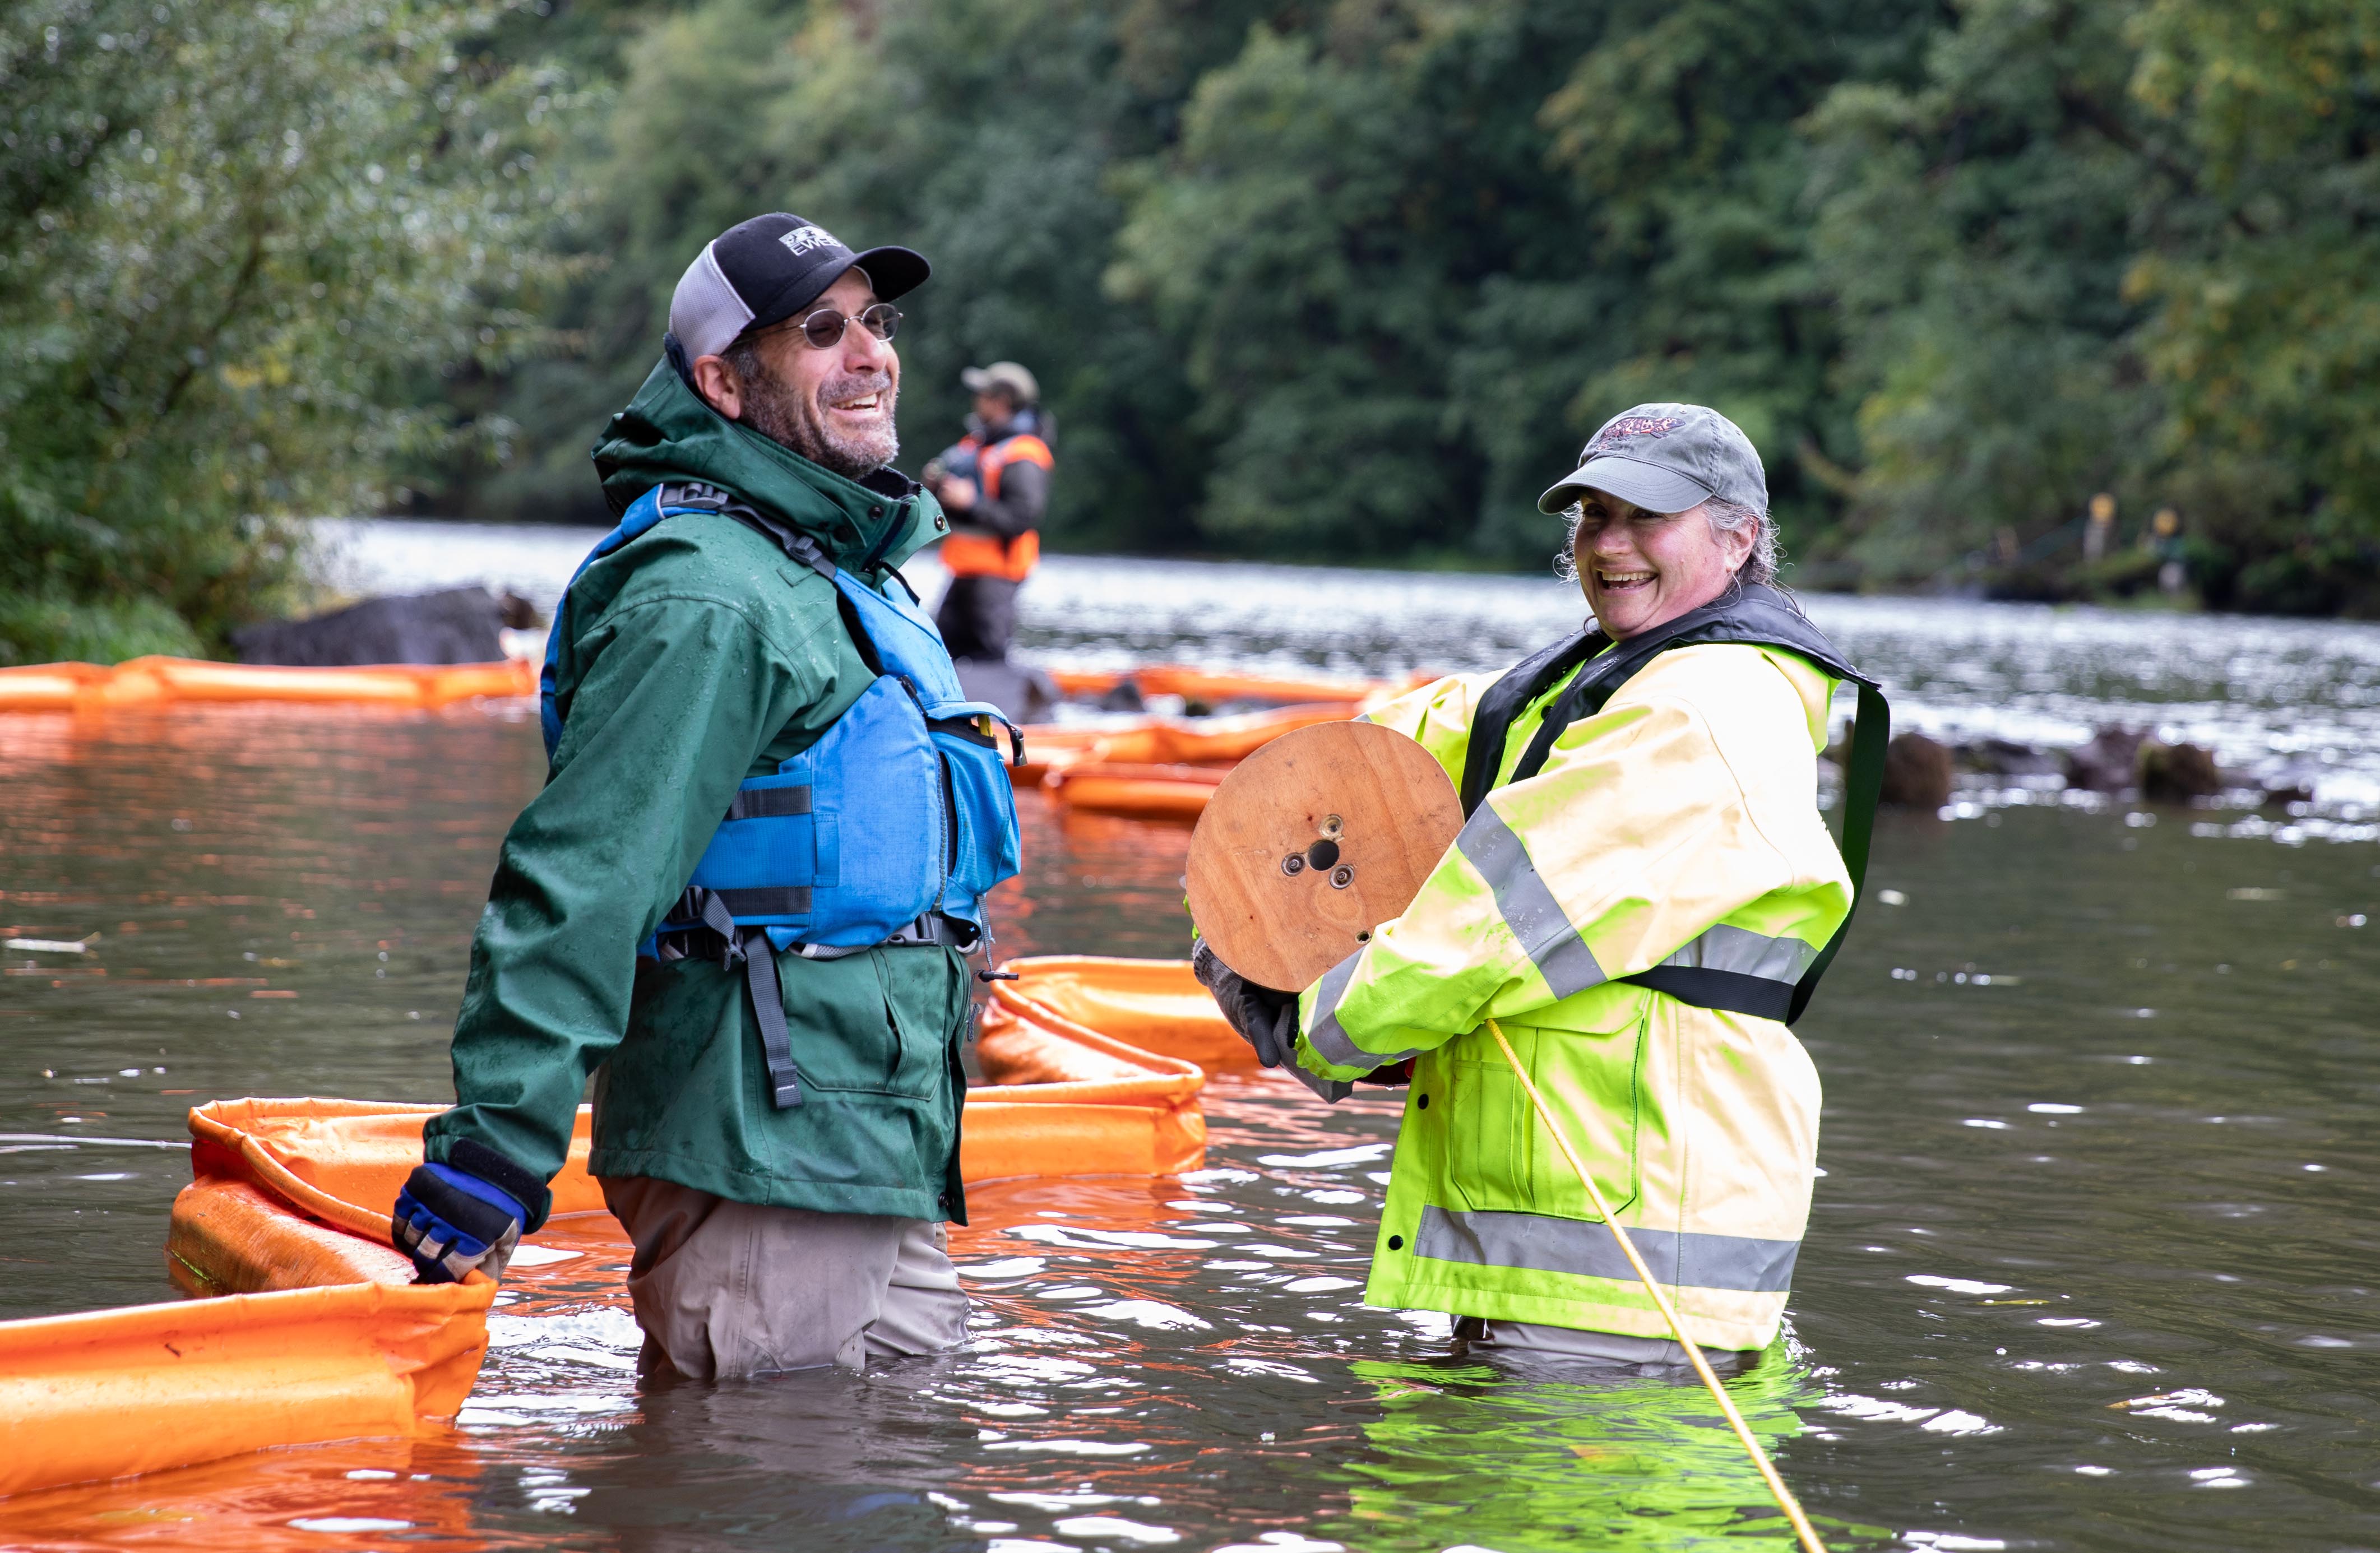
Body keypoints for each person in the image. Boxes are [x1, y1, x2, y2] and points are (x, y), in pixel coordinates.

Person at [387, 212, 1024, 1381]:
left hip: (870, 1143)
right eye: (818, 331)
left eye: (874, 322)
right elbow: (580, 882)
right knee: (754, 1487)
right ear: (724, 380)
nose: (868, 352)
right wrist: (493, 1152)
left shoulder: (828, 570)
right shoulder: (708, 599)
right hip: (758, 1138)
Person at [1194, 403, 1888, 1371]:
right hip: (1564, 1232)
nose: (1610, 545)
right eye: (1592, 517)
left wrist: (1309, 1022)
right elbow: (1388, 751)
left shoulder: (1706, 705)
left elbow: (1490, 925)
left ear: (1737, 540)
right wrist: (1251, 884)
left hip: (1630, 1244)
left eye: (1647, 520)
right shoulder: (1608, 674)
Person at [927, 360, 1052, 662]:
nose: (976, 400)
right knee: (938, 650)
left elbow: (1022, 518)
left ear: (1001, 402)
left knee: (989, 656)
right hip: (964, 569)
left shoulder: (1024, 454)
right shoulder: (976, 445)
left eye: (982, 394)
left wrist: (971, 504)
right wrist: (933, 485)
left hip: (997, 577)